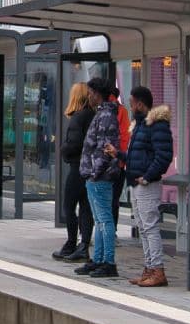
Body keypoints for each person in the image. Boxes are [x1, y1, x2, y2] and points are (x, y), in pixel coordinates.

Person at [106, 86, 173, 287]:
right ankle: (149, 267)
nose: (130, 105)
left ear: (140, 104)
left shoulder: (156, 125)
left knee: (150, 227)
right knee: (143, 228)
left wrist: (147, 176)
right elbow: (137, 157)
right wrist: (117, 154)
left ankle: (158, 270)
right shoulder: (141, 125)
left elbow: (164, 156)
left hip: (146, 184)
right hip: (136, 182)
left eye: (132, 102)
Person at [74, 77, 122, 278]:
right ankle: (99, 259)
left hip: (99, 176)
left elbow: (105, 148)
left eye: (91, 93)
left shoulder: (105, 116)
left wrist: (95, 172)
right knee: (100, 220)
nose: (89, 96)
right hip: (96, 176)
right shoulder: (103, 114)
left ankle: (108, 261)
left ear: (97, 93)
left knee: (104, 219)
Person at [53, 82, 95, 261]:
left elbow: (74, 144)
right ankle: (84, 245)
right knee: (86, 208)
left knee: (69, 206)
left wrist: (63, 149)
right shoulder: (94, 115)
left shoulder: (78, 117)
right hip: (91, 168)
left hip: (77, 167)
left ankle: (70, 243)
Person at [109, 87, 130, 227]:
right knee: (113, 200)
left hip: (108, 163)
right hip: (117, 164)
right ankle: (112, 232)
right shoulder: (121, 110)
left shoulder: (103, 109)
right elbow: (125, 137)